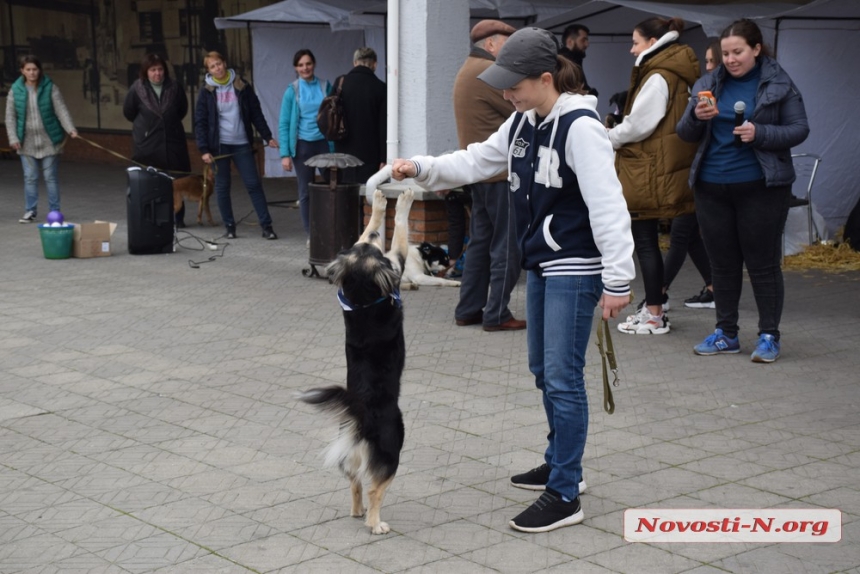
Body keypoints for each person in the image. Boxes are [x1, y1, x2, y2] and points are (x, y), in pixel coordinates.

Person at [391, 27, 634, 532]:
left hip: (576, 265)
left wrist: (618, 279)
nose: (506, 95)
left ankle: (565, 491)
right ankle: (560, 460)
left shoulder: (581, 127)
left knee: (565, 379)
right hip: (541, 263)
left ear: (545, 79)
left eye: (514, 86)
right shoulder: (523, 121)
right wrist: (421, 167)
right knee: (544, 372)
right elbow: (478, 160)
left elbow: (609, 205)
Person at [677, 19, 809, 363]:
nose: (731, 59)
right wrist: (697, 116)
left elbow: (799, 128)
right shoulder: (708, 82)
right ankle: (726, 333)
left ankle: (768, 336)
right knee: (722, 264)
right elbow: (684, 133)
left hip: (761, 188)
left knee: (762, 264)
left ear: (756, 49)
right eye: (725, 53)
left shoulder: (779, 83)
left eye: (738, 52)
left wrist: (760, 133)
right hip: (711, 187)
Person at [607, 17, 700, 335]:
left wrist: (610, 137)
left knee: (645, 242)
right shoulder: (674, 68)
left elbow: (639, 124)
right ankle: (655, 307)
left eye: (635, 42)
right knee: (655, 242)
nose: (632, 50)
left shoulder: (659, 73)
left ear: (652, 42)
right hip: (661, 165)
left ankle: (654, 313)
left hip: (648, 168)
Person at [452, 19, 525, 332]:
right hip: (500, 175)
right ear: (492, 44)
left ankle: (468, 308)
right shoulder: (489, 74)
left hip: (481, 173)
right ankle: (496, 313)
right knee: (506, 247)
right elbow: (524, 108)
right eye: (507, 44)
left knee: (480, 244)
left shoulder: (468, 68)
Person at [663, 40, 724, 309]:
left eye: (712, 62)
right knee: (687, 236)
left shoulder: (710, 88)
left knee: (681, 234)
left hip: (706, 173)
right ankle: (714, 288)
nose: (707, 67)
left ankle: (657, 294)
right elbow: (685, 130)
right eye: (706, 61)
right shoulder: (699, 88)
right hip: (694, 170)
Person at [194, 51, 279, 240]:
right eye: (212, 66)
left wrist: (267, 136)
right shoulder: (206, 91)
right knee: (223, 186)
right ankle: (230, 227)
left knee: (253, 184)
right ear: (208, 70)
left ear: (225, 63)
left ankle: (267, 226)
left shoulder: (241, 85)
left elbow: (256, 113)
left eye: (219, 63)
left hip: (242, 144)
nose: (217, 68)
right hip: (219, 146)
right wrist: (204, 149)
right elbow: (200, 121)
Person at [5, 55, 78, 223]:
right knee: (30, 177)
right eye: (28, 69)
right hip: (26, 142)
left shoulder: (50, 87)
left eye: (35, 69)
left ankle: (55, 212)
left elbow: (61, 110)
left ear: (40, 70)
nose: (32, 73)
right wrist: (13, 138)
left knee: (50, 177)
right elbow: (10, 117)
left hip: (50, 140)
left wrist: (70, 129)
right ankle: (30, 211)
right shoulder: (15, 91)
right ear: (22, 71)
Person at [124, 53, 191, 227]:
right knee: (151, 182)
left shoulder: (175, 87)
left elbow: (182, 109)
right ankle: (153, 217)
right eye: (153, 70)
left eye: (160, 69)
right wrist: (147, 128)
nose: (157, 73)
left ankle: (178, 219)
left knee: (176, 181)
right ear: (146, 72)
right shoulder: (137, 89)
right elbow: (129, 112)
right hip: (148, 145)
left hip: (173, 142)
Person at [278, 49, 332, 239]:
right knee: (306, 191)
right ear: (295, 68)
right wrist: (285, 154)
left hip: (324, 144)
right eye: (301, 65)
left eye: (308, 63)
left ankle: (330, 226)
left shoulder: (326, 86)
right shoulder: (292, 91)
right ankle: (311, 234)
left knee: (333, 186)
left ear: (314, 64)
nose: (305, 68)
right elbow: (284, 123)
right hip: (302, 146)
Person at [333, 47, 386, 184]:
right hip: (370, 154)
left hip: (343, 150)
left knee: (345, 197)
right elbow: (383, 126)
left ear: (355, 62)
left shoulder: (340, 83)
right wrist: (384, 158)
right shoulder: (381, 87)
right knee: (367, 196)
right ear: (375, 64)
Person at [558, 24, 598, 96]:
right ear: (570, 42)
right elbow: (569, 89)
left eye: (587, 40)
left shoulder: (574, 59)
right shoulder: (563, 61)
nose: (587, 44)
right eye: (583, 40)